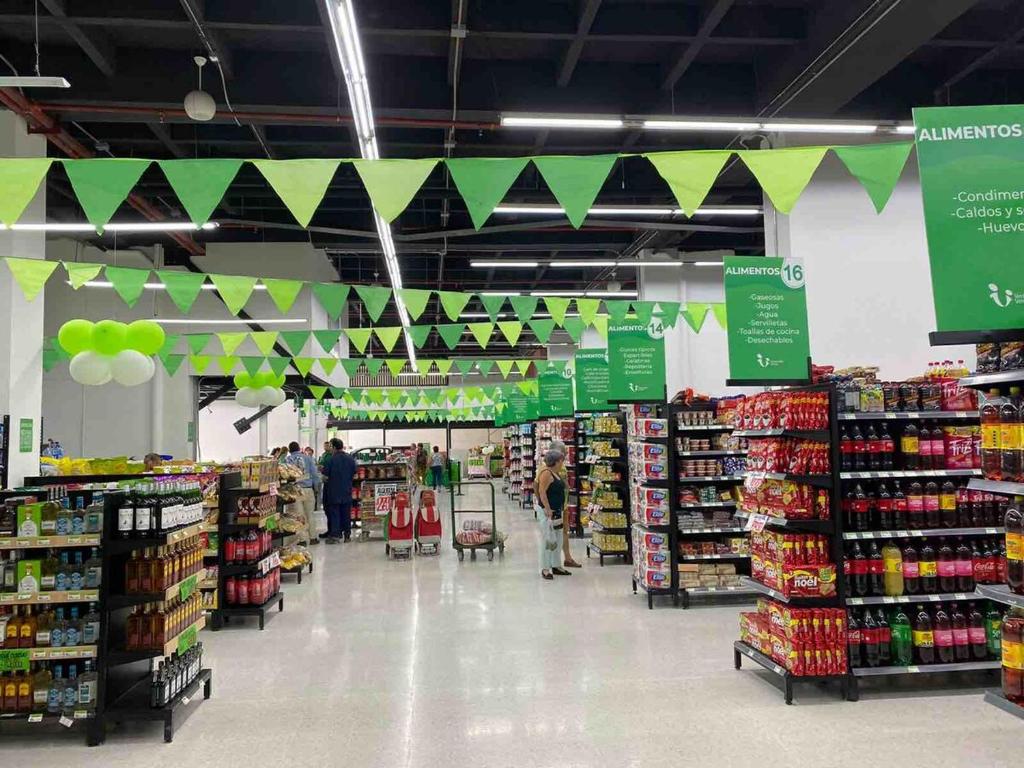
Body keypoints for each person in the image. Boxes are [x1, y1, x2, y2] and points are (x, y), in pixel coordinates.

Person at [536, 449, 570, 580]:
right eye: (561, 461)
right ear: (556, 461)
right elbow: (542, 492)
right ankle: (545, 569)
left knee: (558, 538)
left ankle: (556, 565)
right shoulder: (546, 473)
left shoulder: (555, 473)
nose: (562, 463)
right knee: (547, 540)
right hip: (548, 512)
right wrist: (547, 508)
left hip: (557, 511)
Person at [549, 440, 581, 569]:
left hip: (563, 505)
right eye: (563, 453)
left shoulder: (561, 467)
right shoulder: (550, 468)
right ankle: (553, 561)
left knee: (563, 532)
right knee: (554, 533)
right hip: (555, 506)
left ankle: (567, 558)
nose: (565, 455)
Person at [284, 441, 320, 546]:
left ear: (289, 450)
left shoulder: (287, 460)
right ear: (299, 448)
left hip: (295, 491)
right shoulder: (308, 458)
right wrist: (316, 487)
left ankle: (303, 540)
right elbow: (315, 474)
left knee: (300, 516)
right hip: (308, 489)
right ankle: (313, 538)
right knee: (310, 514)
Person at [322, 437, 357, 543]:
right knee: (346, 513)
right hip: (347, 490)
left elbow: (325, 476)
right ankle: (347, 536)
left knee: (335, 513)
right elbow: (354, 474)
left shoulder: (330, 460)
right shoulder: (350, 459)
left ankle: (335, 536)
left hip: (333, 491)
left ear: (333, 447)